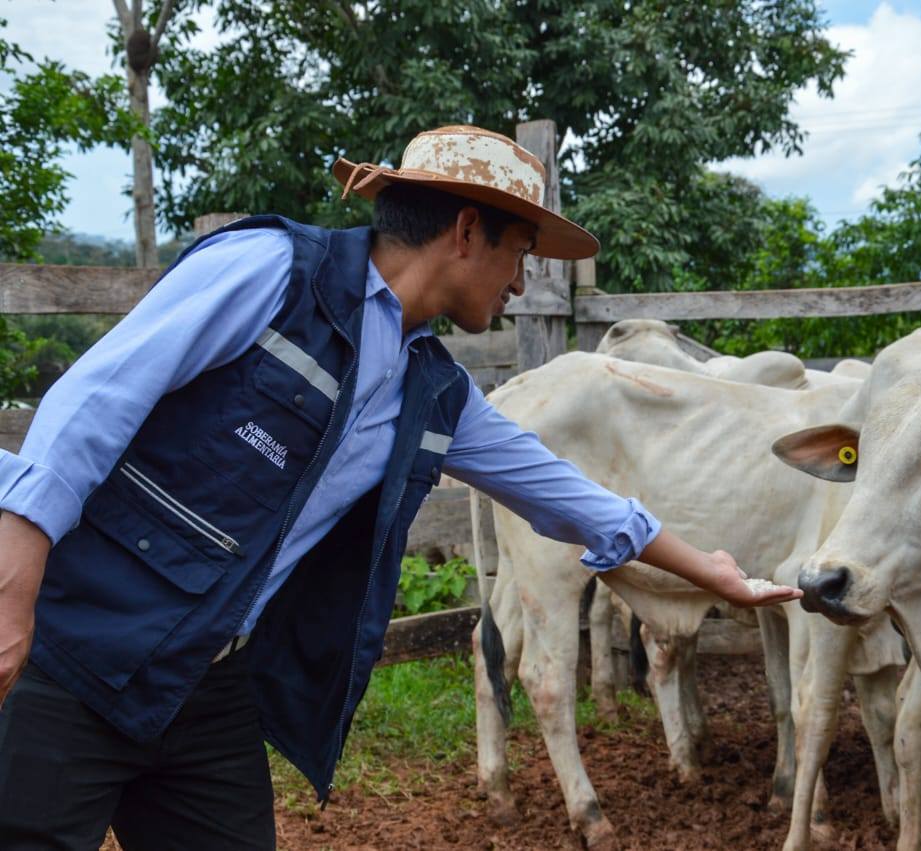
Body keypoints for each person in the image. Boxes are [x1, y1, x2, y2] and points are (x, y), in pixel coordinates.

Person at [0, 125, 800, 848]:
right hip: (77, 648)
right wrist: (14, 578)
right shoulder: (273, 271)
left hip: (204, 687)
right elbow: (95, 397)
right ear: (464, 231)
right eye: (520, 251)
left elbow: (567, 494)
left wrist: (709, 570)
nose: (522, 283)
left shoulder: (436, 391)